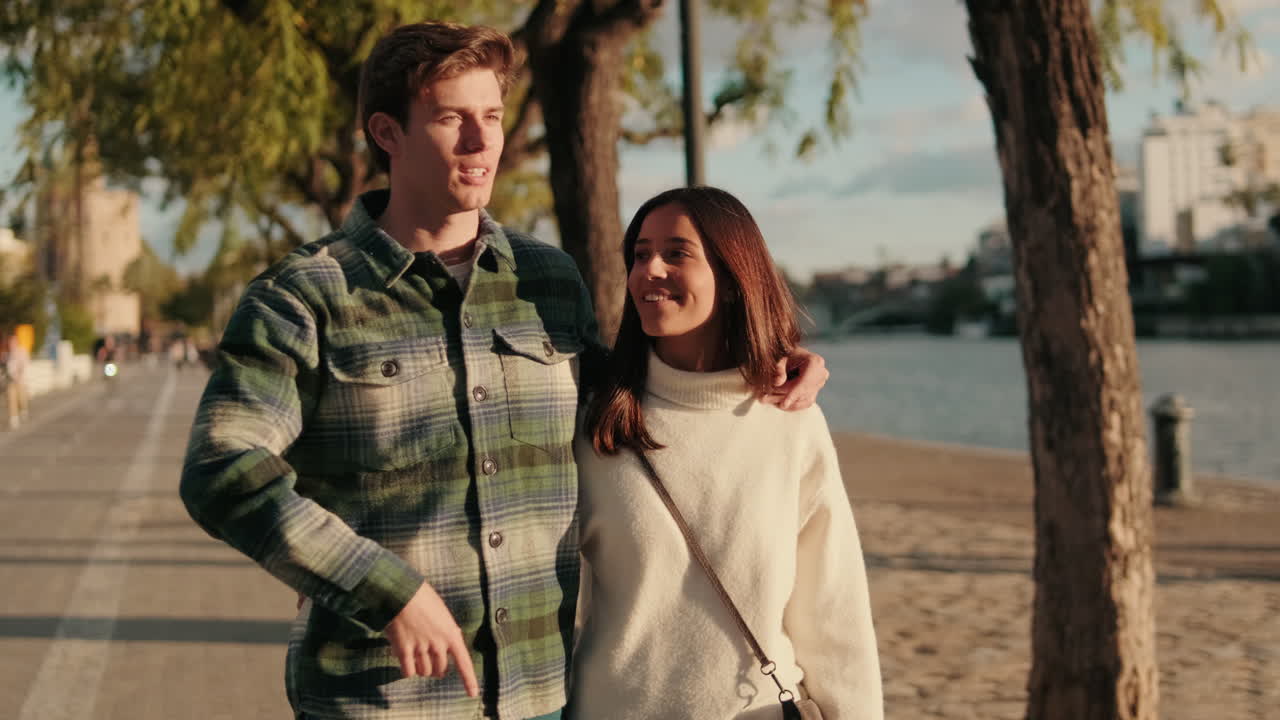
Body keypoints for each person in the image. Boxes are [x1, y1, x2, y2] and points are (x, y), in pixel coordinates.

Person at [180, 22, 829, 720]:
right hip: (379, 702)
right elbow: (222, 468)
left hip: (536, 699)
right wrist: (380, 586)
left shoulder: (547, 280)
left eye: (490, 116)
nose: (481, 141)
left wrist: (755, 361)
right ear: (387, 133)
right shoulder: (303, 297)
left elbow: (632, 398)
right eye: (451, 119)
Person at [570, 186, 882, 720]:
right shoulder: (595, 420)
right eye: (640, 254)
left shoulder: (791, 420)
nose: (650, 270)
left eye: (677, 253)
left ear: (734, 276)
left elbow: (833, 613)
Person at [5, 330, 31, 430]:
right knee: (11, 396)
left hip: (21, 379)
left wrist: (19, 374)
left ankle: (23, 410)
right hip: (11, 379)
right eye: (10, 342)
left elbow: (23, 364)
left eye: (13, 341)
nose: (12, 343)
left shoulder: (22, 351)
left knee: (21, 396)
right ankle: (13, 417)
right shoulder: (8, 354)